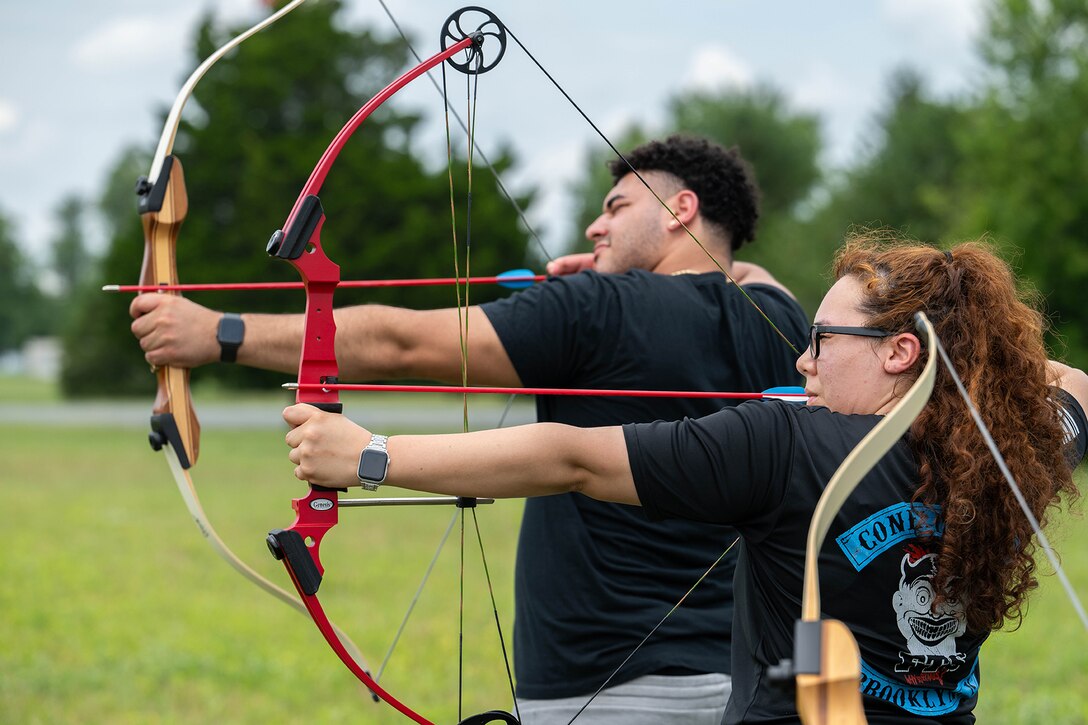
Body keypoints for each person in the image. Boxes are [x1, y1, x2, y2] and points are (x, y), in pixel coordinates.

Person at [130, 135, 809, 723]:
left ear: (679, 210)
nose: (594, 229)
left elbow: (404, 346)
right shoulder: (784, 326)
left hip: (602, 686)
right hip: (743, 682)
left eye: (616, 208)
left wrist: (214, 332)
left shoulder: (594, 308)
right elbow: (746, 280)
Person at [282, 236, 1088, 724]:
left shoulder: (784, 445)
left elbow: (571, 455)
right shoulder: (1016, 457)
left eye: (822, 339)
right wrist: (975, 365)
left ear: (900, 352)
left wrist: (366, 454)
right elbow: (1072, 382)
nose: (803, 361)